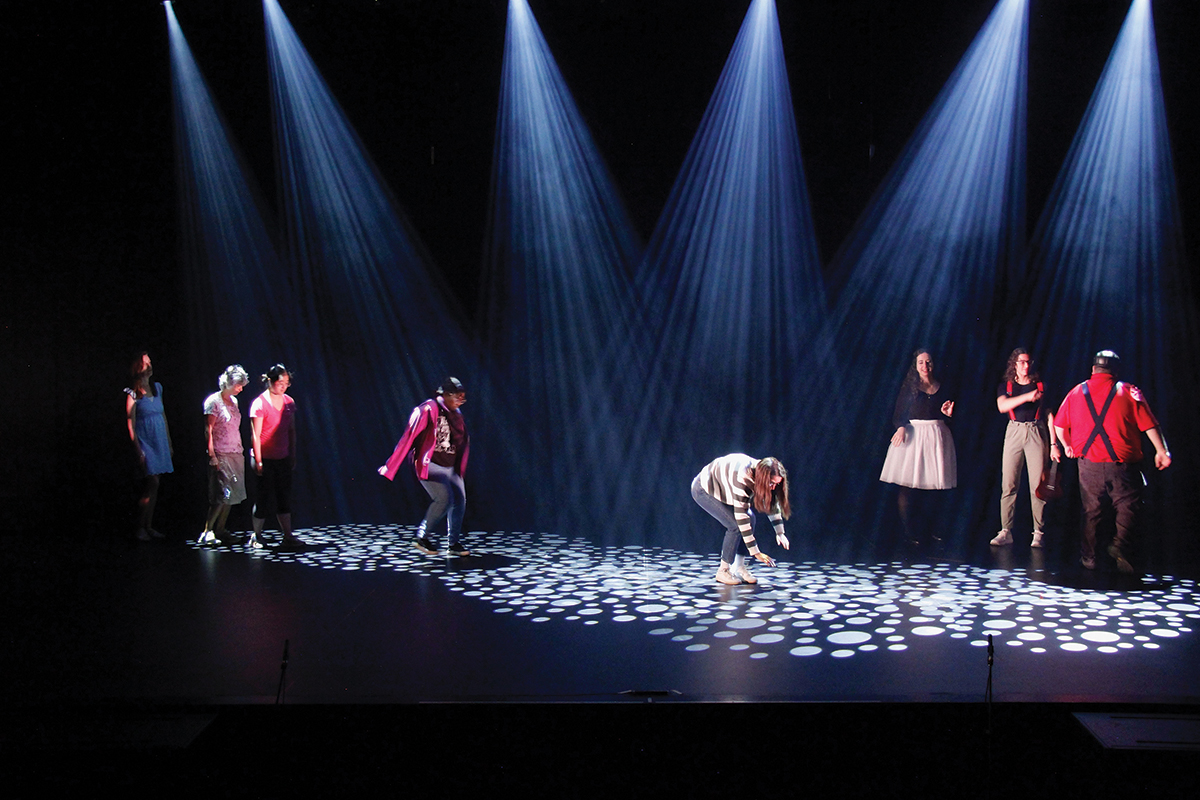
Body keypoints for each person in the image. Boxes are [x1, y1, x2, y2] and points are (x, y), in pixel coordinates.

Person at [1054, 350, 1171, 573]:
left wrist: (1067, 445)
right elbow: (1149, 424)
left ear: (1093, 369)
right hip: (1122, 466)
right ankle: (1119, 545)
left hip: (1088, 464)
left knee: (1091, 511)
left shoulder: (1076, 391)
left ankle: (1089, 559)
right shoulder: (1128, 391)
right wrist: (1161, 451)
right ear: (1115, 371)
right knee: (1129, 506)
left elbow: (1059, 425)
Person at [378, 377, 471, 556]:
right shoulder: (428, 409)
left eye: (463, 397)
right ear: (446, 394)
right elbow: (408, 437)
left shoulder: (457, 414)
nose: (461, 400)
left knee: (459, 501)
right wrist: (390, 466)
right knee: (444, 499)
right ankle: (421, 537)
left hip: (451, 466)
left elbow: (462, 440)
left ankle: (453, 544)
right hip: (431, 465)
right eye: (458, 396)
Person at [879, 348, 956, 544]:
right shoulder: (910, 388)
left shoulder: (942, 387)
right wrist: (901, 427)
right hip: (914, 437)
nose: (925, 366)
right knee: (908, 486)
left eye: (928, 362)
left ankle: (933, 529)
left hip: (937, 436)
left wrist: (948, 414)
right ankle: (910, 531)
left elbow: (949, 414)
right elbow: (899, 413)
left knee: (936, 486)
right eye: (921, 362)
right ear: (915, 365)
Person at [991, 348, 1061, 548]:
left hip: (1035, 430)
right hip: (1014, 430)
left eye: (1028, 362)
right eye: (1021, 362)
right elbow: (1002, 406)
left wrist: (1054, 444)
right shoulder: (1006, 386)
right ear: (1014, 364)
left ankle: (1038, 532)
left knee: (1038, 485)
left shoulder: (1041, 386)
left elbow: (1050, 416)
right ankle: (1006, 530)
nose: (1026, 365)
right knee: (1009, 483)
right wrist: (1028, 397)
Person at [691, 454, 791, 585]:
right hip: (703, 489)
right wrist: (756, 552)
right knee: (735, 526)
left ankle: (739, 567)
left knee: (751, 518)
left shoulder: (762, 474)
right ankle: (723, 570)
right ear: (762, 478)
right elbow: (741, 518)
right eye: (771, 483)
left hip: (726, 488)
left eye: (777, 484)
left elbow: (771, 503)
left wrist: (780, 532)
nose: (773, 487)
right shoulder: (743, 477)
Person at [249, 364, 302, 549]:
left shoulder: (289, 402)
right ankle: (256, 536)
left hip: (282, 457)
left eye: (286, 383)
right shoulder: (259, 403)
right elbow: (256, 435)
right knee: (263, 498)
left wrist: (292, 454)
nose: (283, 387)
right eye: (280, 383)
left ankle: (287, 535)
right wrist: (258, 460)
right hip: (265, 458)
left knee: (283, 497)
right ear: (270, 382)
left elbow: (291, 430)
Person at [199, 365, 250, 545]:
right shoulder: (213, 401)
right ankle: (207, 531)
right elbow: (208, 430)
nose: (240, 389)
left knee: (231, 495)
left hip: (235, 451)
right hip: (221, 452)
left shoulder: (234, 402)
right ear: (229, 383)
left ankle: (220, 529)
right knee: (221, 494)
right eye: (238, 385)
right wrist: (212, 455)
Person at [125, 351, 173, 541]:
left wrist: (168, 443)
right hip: (146, 442)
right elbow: (130, 423)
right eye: (145, 363)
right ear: (138, 367)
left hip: (159, 440)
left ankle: (148, 526)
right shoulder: (133, 393)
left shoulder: (157, 388)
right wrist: (138, 450)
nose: (149, 366)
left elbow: (163, 417)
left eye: (150, 362)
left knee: (155, 485)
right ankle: (140, 527)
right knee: (152, 483)